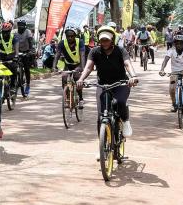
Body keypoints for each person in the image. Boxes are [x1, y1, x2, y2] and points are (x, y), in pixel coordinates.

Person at [76, 26, 139, 154]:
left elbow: (127, 64)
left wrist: (133, 77)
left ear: (112, 39)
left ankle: (125, 121)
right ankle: (103, 148)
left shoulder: (120, 51)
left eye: (107, 40)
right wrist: (81, 79)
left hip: (120, 83)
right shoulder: (94, 51)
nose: (104, 42)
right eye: (102, 40)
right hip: (102, 85)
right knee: (101, 117)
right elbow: (88, 68)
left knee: (120, 102)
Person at [159, 33, 183, 111]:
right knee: (172, 88)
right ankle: (174, 104)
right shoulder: (171, 51)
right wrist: (162, 69)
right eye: (177, 43)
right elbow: (165, 60)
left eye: (181, 43)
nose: (179, 45)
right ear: (174, 44)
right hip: (175, 71)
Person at [53, 27, 88, 109]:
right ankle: (67, 97)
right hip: (68, 64)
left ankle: (80, 98)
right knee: (64, 78)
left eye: (72, 36)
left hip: (78, 65)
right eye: (68, 36)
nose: (70, 38)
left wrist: (82, 68)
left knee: (77, 78)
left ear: (75, 36)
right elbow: (57, 55)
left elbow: (82, 55)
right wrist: (54, 66)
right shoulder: (62, 43)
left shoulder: (80, 42)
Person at [0, 21, 20, 97]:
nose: (5, 33)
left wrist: (16, 56)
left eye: (7, 32)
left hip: (12, 58)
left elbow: (16, 48)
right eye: (3, 32)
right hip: (2, 58)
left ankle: (12, 86)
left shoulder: (14, 38)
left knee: (14, 69)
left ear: (10, 31)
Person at [14, 19, 36, 95]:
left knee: (26, 68)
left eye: (22, 25)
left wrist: (31, 51)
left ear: (25, 26)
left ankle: (28, 84)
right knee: (13, 66)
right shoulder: (14, 32)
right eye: (19, 24)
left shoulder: (28, 32)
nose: (21, 26)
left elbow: (31, 42)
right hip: (16, 52)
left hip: (26, 51)